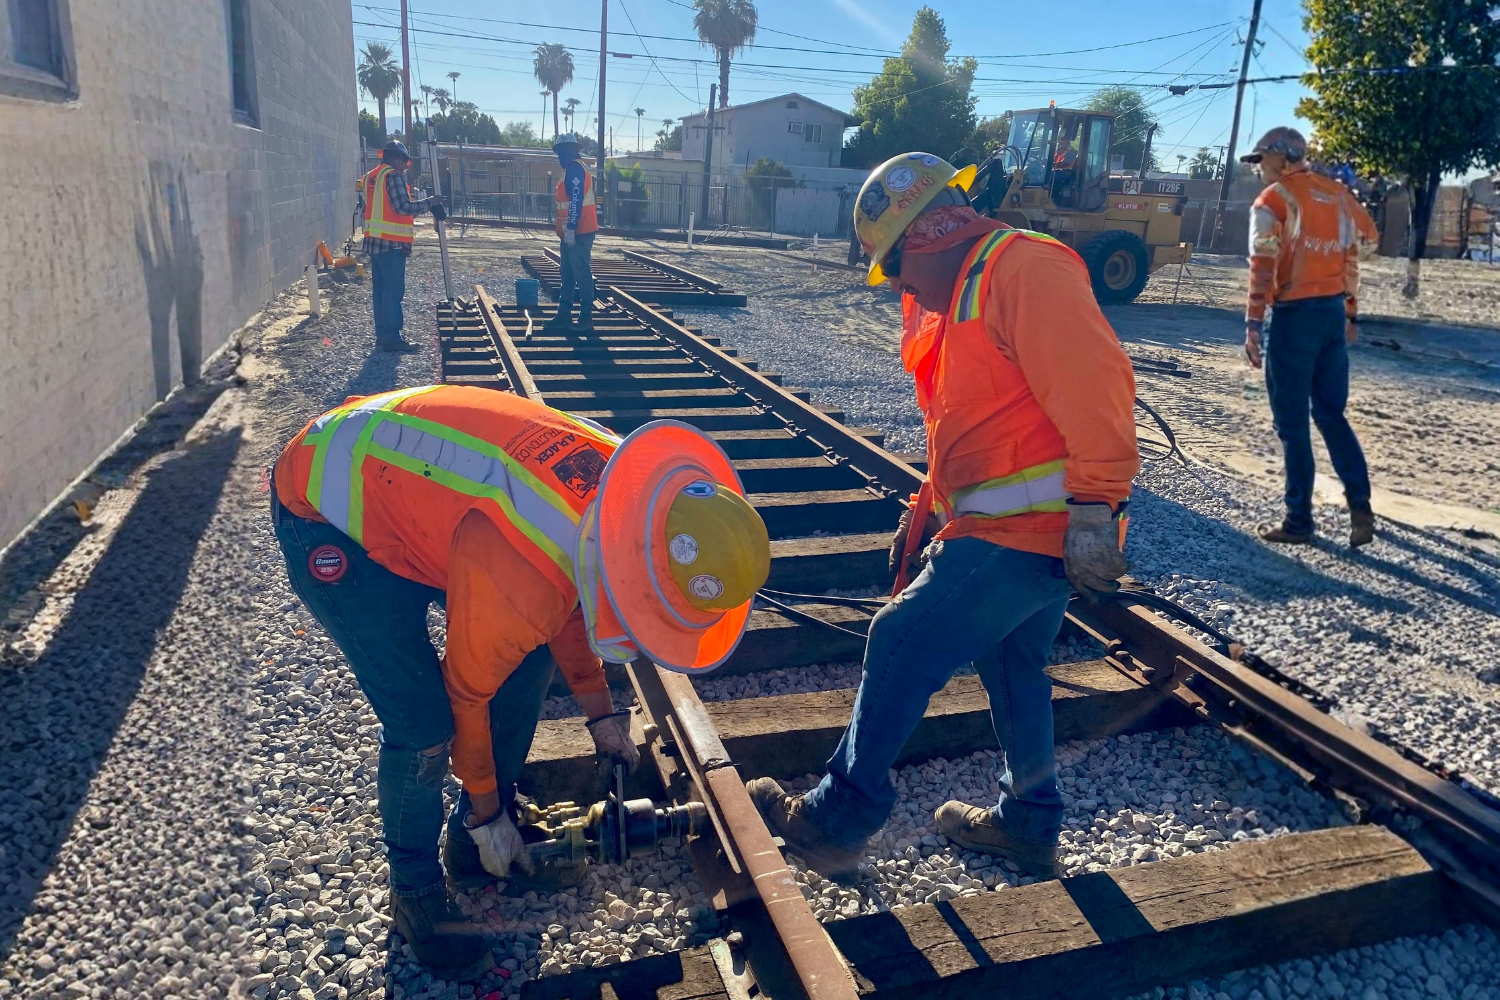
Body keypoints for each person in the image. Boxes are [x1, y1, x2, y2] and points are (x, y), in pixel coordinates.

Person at [271, 385, 770, 980]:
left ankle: (468, 847)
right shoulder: (525, 570)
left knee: (528, 658)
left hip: (421, 492)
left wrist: (601, 714)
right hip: (326, 506)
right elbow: (470, 691)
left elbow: (577, 592)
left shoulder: (634, 497)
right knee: (422, 725)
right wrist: (489, 813)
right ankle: (416, 894)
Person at [747, 153, 1139, 880]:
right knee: (1013, 663)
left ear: (927, 234)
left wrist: (1095, 508)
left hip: (1038, 530)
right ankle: (1028, 823)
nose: (898, 285)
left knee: (901, 638)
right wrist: (925, 509)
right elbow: (976, 428)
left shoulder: (1024, 269)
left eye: (895, 266)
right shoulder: (963, 293)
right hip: (1017, 528)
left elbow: (1100, 388)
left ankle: (836, 819)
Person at [1240, 127, 1380, 547]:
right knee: (1331, 414)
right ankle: (1360, 508)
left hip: (1293, 318)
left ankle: (1299, 521)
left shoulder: (1273, 200)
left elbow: (1262, 264)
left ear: (1282, 157)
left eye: (1262, 159)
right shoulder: (1337, 195)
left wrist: (1252, 323)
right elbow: (1364, 246)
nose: (1259, 168)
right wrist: (1349, 311)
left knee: (1292, 423)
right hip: (1332, 315)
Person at [361, 140, 441, 352]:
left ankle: (383, 335)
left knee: (380, 291)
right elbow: (403, 207)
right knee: (393, 291)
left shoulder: (371, 177)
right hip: (391, 244)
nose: (405, 166)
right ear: (396, 158)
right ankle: (392, 338)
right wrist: (429, 203)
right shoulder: (392, 176)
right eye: (405, 162)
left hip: (374, 241)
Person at [544, 134, 599, 332]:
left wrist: (572, 227)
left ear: (571, 150)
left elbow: (576, 199)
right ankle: (564, 314)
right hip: (571, 232)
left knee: (582, 274)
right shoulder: (571, 169)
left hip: (579, 232)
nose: (560, 155)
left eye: (562, 151)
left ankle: (585, 318)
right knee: (567, 274)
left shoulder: (575, 168)